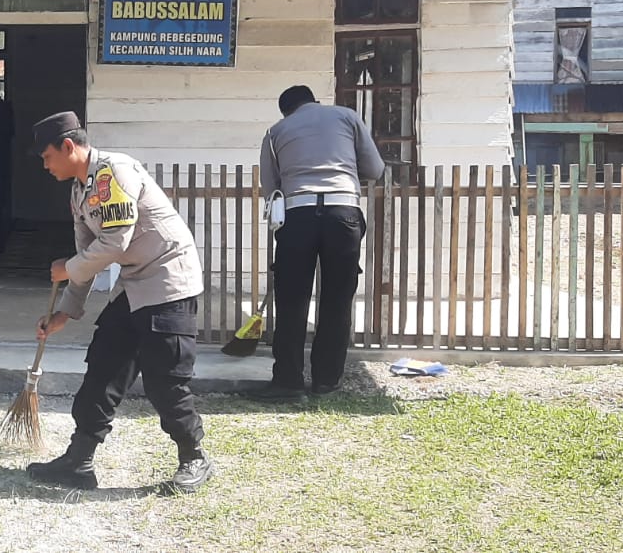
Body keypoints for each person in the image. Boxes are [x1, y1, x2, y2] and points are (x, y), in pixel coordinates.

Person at [24, 112, 214, 494]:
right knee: (104, 364)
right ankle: (79, 461)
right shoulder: (79, 191)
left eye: (46, 157)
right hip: (133, 284)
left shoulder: (114, 171)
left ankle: (194, 457)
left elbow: (113, 244)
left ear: (68, 146)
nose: (45, 166)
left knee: (165, 379)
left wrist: (66, 268)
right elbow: (87, 254)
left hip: (168, 279)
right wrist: (66, 311)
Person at [248, 86, 385, 401]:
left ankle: (288, 382)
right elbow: (375, 169)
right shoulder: (347, 117)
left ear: (287, 111)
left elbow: (271, 187)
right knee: (337, 300)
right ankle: (327, 380)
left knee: (292, 300)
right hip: (343, 214)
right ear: (314, 101)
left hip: (298, 215)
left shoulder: (275, 131)